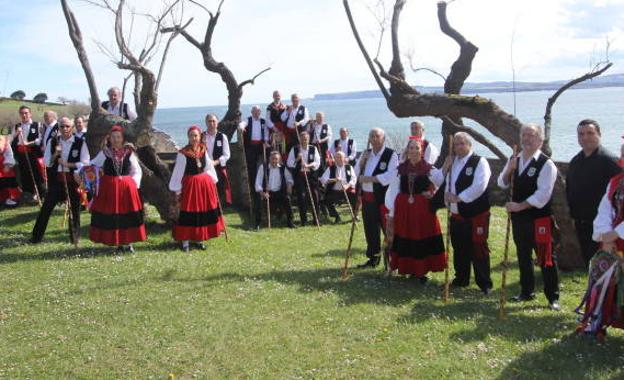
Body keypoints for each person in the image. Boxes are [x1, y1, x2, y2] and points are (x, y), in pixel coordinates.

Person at [497, 124, 560, 311]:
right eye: (524, 135)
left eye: (531, 135)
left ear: (540, 140)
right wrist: (510, 169)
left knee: (546, 257)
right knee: (523, 255)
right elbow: (501, 183)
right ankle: (526, 291)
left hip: (538, 218)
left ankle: (552, 297)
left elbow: (543, 195)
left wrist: (519, 206)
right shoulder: (514, 159)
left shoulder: (546, 164)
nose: (527, 138)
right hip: (519, 220)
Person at [385, 138, 445, 281]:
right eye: (411, 148)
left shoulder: (429, 169)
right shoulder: (400, 169)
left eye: (416, 148)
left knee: (421, 237)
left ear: (422, 151)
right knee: (406, 237)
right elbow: (393, 190)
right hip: (404, 209)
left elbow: (443, 183)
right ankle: (408, 268)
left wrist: (432, 194)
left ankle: (421, 271)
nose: (413, 151)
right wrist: (392, 213)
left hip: (422, 210)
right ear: (407, 150)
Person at [441, 132, 493, 294]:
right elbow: (440, 180)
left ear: (470, 145)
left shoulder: (479, 162)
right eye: (456, 144)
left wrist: (459, 198)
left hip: (476, 213)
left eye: (462, 143)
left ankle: (484, 283)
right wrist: (444, 167)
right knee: (460, 247)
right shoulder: (453, 161)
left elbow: (480, 185)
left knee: (478, 248)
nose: (459, 147)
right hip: (456, 214)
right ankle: (461, 278)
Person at [566, 119, 620, 267]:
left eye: (590, 133)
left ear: (599, 135)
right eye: (581, 134)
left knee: (608, 267)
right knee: (591, 265)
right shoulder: (575, 162)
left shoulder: (610, 161)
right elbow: (570, 190)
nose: (585, 137)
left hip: (605, 227)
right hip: (581, 224)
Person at [31, 117, 90, 244]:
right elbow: (47, 162)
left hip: (73, 181)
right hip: (57, 181)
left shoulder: (80, 142)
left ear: (72, 127)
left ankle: (74, 239)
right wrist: (55, 155)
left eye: (67, 126)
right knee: (46, 209)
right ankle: (35, 238)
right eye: (62, 126)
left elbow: (85, 163)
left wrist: (67, 164)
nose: (64, 129)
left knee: (74, 210)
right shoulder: (53, 142)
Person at [89, 125, 145, 252]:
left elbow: (136, 170)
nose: (116, 140)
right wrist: (81, 171)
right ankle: (118, 242)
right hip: (110, 190)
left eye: (118, 137)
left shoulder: (129, 153)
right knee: (113, 216)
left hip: (127, 190)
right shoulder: (104, 153)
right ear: (109, 138)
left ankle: (128, 243)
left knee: (127, 216)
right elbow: (92, 164)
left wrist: (133, 184)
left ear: (122, 138)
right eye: (113, 137)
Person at [169, 126, 224, 251]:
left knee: (202, 213)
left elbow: (209, 167)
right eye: (191, 135)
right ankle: (185, 241)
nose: (194, 138)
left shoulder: (203, 150)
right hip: (190, 187)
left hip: (204, 186)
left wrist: (213, 181)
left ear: (200, 137)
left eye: (196, 135)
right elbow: (178, 172)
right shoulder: (183, 153)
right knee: (188, 213)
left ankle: (200, 239)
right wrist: (177, 189)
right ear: (188, 137)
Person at [353, 128, 399, 268]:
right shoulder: (366, 154)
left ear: (383, 138)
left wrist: (371, 179)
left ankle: (393, 260)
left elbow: (392, 175)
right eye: (371, 136)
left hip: (383, 198)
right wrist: (361, 163)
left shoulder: (391, 155)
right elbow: (355, 173)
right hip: (367, 198)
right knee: (370, 229)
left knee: (388, 229)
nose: (374, 139)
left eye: (377, 136)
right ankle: (373, 258)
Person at [11, 105, 46, 201]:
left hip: (34, 154)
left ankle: (41, 194)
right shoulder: (16, 126)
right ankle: (28, 194)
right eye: (22, 113)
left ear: (30, 114)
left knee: (37, 174)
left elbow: (40, 139)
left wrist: (29, 144)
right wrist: (17, 134)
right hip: (21, 154)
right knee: (24, 174)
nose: (24, 115)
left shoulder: (38, 125)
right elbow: (12, 140)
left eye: (26, 113)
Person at [254, 151, 296, 229]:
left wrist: (289, 185)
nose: (274, 161)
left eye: (276, 159)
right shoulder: (263, 167)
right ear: (269, 159)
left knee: (287, 199)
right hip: (267, 193)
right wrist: (262, 192)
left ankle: (290, 222)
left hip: (279, 192)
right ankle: (258, 223)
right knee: (259, 200)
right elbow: (258, 182)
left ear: (279, 159)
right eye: (272, 159)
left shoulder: (283, 168)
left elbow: (289, 179)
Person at [287, 131, 321, 226]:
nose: (304, 141)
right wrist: (297, 159)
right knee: (301, 197)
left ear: (308, 139)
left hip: (311, 176)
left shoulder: (313, 148)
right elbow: (289, 163)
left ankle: (316, 220)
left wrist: (308, 165)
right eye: (302, 139)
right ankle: (304, 220)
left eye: (306, 139)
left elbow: (317, 163)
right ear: (299, 139)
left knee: (315, 196)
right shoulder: (295, 149)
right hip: (300, 176)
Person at [239, 106, 270, 193]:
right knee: (251, 167)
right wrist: (242, 127)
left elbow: (266, 133)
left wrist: (266, 141)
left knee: (262, 165)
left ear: (260, 112)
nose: (256, 113)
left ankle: (262, 185)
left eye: (258, 111)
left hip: (261, 146)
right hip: (251, 147)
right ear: (252, 112)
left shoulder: (263, 121)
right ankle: (253, 187)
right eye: (254, 111)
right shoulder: (248, 120)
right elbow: (242, 124)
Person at [320, 151, 357, 224]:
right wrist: (335, 179)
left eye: (340, 157)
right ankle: (336, 216)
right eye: (337, 157)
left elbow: (354, 179)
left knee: (355, 197)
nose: (338, 159)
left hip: (347, 190)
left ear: (344, 158)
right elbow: (323, 179)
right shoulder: (331, 168)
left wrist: (347, 186)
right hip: (335, 191)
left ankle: (355, 216)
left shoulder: (349, 167)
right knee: (327, 200)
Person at [203, 114, 232, 206]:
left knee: (219, 189)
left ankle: (218, 209)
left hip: (218, 167)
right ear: (206, 123)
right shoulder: (201, 136)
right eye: (209, 121)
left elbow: (227, 155)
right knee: (206, 190)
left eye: (213, 121)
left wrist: (215, 162)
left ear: (217, 123)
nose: (211, 123)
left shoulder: (222, 137)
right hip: (204, 169)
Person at [0, 135, 20, 206]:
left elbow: (9, 153)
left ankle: (11, 198)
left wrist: (8, 164)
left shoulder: (4, 139)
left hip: (4, 164)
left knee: (9, 181)